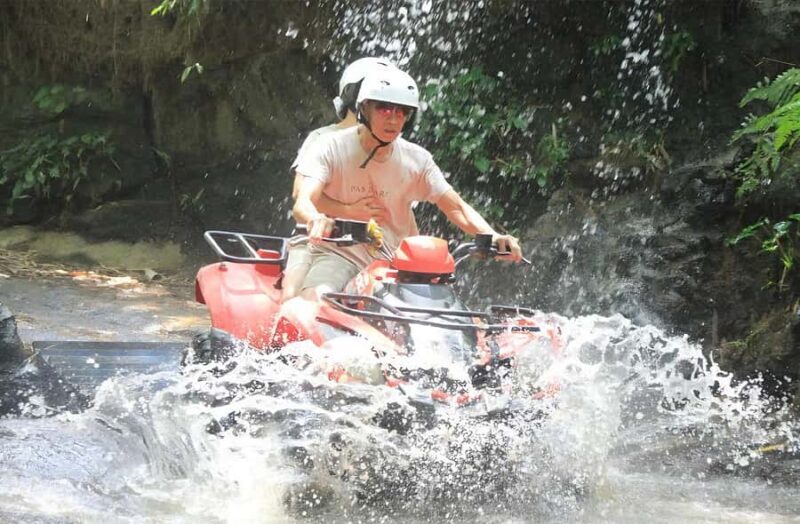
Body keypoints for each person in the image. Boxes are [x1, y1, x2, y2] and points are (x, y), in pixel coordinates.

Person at [293, 67, 522, 300]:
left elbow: (456, 207)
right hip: (339, 255)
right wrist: (316, 219)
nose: (393, 119)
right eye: (384, 109)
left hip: (400, 266)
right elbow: (303, 202)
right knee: (316, 299)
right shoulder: (330, 146)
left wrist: (492, 236)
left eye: (402, 112)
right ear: (364, 109)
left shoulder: (418, 160)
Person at [282, 57, 400, 301]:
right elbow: (299, 193)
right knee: (292, 296)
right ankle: (283, 335)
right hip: (317, 240)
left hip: (372, 244)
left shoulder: (388, 146)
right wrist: (347, 211)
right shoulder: (323, 138)